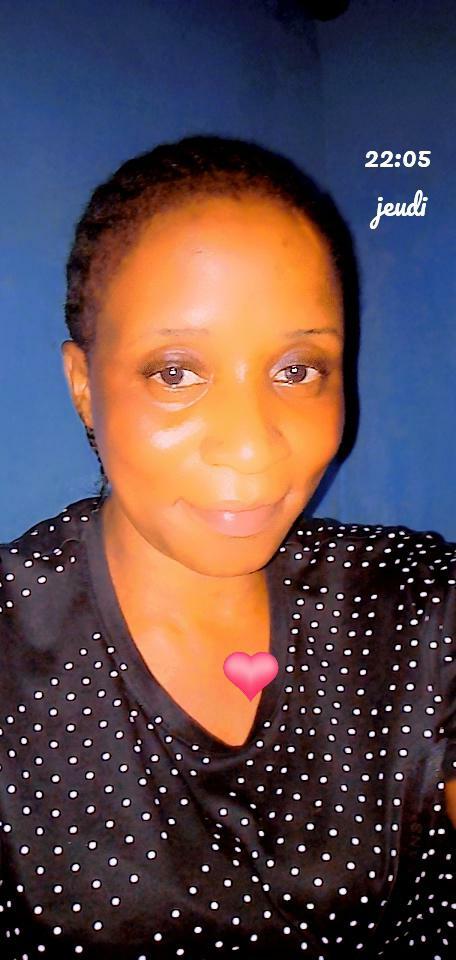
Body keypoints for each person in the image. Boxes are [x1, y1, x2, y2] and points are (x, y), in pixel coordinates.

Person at [0, 134, 454, 960]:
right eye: (176, 372)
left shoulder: (418, 607)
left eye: (298, 370)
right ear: (84, 387)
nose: (251, 448)